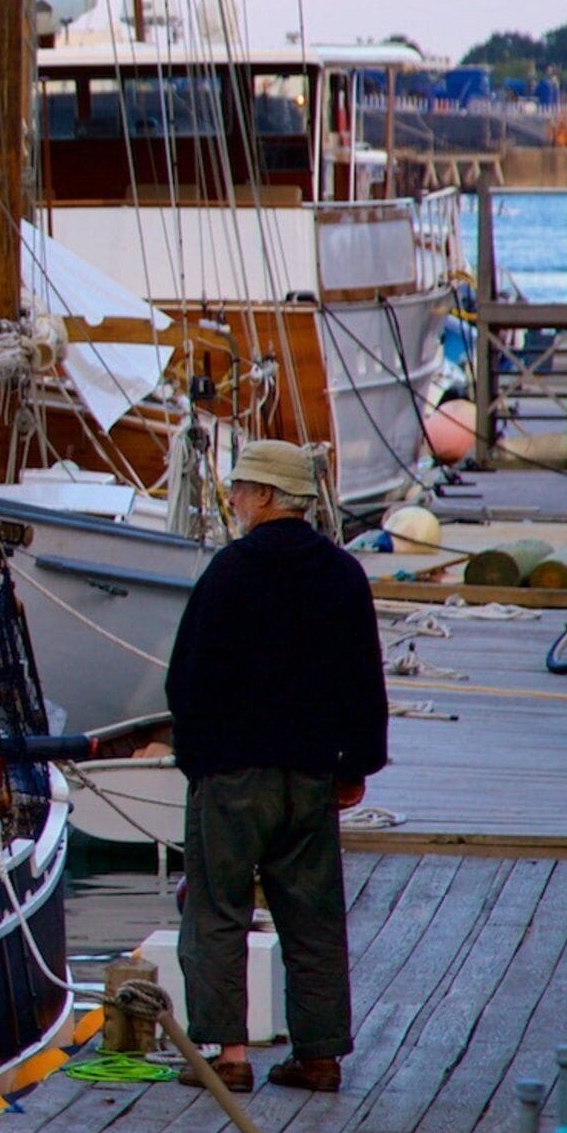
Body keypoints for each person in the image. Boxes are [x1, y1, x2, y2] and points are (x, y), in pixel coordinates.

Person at [162, 440, 384, 1092]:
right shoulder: (342, 574)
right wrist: (356, 766)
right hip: (311, 775)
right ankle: (319, 1058)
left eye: (239, 488)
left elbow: (187, 679)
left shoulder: (229, 571)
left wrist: (196, 762)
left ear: (264, 496)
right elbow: (363, 682)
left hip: (232, 774)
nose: (232, 498)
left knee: (217, 911)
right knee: (314, 920)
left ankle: (229, 1056)